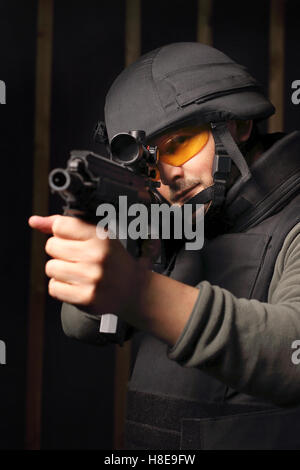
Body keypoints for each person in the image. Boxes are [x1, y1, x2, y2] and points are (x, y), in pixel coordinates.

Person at [29, 42, 300, 450]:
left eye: (179, 144)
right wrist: (114, 241)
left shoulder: (292, 214)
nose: (169, 175)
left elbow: (290, 356)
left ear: (237, 126)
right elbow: (83, 326)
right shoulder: (177, 222)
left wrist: (138, 292)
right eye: (150, 163)